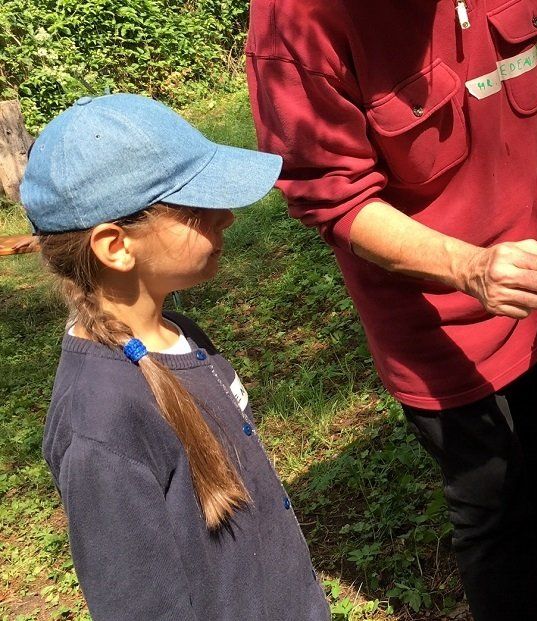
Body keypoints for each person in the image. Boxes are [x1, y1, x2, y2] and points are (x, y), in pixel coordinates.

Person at [246, 1, 537, 618]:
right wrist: (470, 268)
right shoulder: (297, 23)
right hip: (447, 321)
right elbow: (335, 198)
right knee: (499, 510)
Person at [20, 94, 330, 621]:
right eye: (198, 209)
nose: (228, 217)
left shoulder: (178, 333)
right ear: (116, 246)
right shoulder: (99, 424)